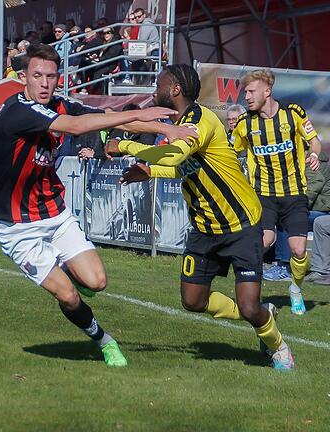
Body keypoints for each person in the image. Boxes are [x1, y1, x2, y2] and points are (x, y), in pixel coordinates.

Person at [0, 43, 187, 367]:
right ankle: (103, 340)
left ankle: (66, 266)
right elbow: (78, 128)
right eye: (37, 75)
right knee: (68, 295)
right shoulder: (17, 111)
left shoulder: (62, 104)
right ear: (24, 77)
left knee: (97, 282)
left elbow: (104, 119)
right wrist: (139, 113)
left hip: (52, 212)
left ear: (58, 78)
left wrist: (164, 128)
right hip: (14, 225)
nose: (44, 83)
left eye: (51, 76)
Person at [109, 64, 294, 370]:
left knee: (249, 307)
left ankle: (279, 347)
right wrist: (149, 172)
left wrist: (125, 145)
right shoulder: (180, 122)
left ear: (175, 89)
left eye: (159, 86)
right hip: (204, 228)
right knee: (193, 301)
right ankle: (267, 313)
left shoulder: (200, 120)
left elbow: (175, 156)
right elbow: (186, 167)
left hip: (240, 225)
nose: (155, 92)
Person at [229, 69, 323, 315]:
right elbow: (231, 152)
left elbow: (314, 140)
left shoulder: (293, 114)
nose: (246, 97)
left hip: (294, 193)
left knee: (299, 251)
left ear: (267, 91)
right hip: (263, 194)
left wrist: (313, 153)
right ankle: (250, 297)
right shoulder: (244, 124)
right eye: (245, 92)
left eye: (251, 91)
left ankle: (295, 288)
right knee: (264, 241)